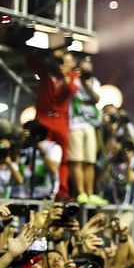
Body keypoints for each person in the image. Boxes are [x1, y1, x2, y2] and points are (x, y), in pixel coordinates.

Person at [28, 48, 80, 198]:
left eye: (66, 61)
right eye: (61, 61)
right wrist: (51, 53)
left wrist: (64, 74)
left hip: (61, 120)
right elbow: (31, 61)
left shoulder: (73, 76)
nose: (63, 64)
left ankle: (62, 190)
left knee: (63, 157)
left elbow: (71, 89)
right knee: (38, 152)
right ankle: (35, 187)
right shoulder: (47, 72)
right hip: (43, 118)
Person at [68, 56, 107, 205]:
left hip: (89, 124)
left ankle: (90, 193)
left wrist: (86, 84)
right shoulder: (72, 80)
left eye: (88, 69)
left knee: (90, 161)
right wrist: (77, 79)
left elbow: (96, 99)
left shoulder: (94, 82)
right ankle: (80, 192)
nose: (86, 72)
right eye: (83, 69)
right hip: (75, 124)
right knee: (76, 160)